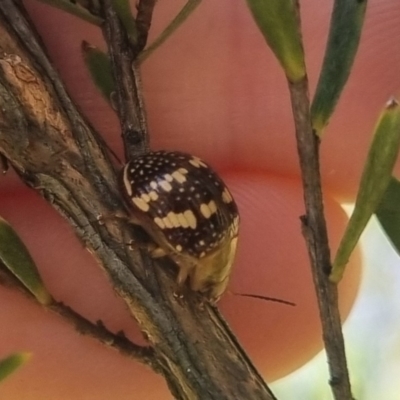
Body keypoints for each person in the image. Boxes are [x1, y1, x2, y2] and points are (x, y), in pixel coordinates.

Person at [0, 0, 398, 398]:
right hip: (151, 184)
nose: (202, 292)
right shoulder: (200, 245)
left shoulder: (219, 234)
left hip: (161, 179)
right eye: (207, 288)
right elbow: (153, 236)